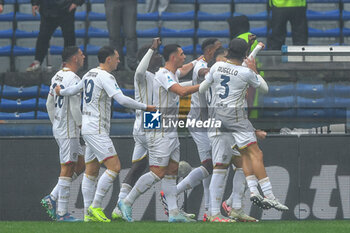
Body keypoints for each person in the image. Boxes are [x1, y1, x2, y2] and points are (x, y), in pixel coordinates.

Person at [55, 46, 156, 222]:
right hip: (97, 129)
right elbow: (122, 99)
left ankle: (88, 214)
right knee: (114, 167)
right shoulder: (106, 77)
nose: (119, 61)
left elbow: (74, 90)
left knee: (91, 171)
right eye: (117, 57)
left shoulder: (89, 74)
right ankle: (95, 206)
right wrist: (145, 107)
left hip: (87, 127)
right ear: (108, 59)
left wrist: (60, 92)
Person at [199, 38, 288, 223]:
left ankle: (236, 207)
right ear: (245, 55)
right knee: (223, 165)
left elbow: (201, 89)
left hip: (218, 119)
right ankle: (215, 213)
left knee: (240, 163)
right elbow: (264, 88)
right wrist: (253, 68)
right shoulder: (246, 73)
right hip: (232, 122)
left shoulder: (216, 67)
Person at [118, 44, 201, 223]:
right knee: (157, 172)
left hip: (165, 127)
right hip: (154, 126)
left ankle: (173, 212)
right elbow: (181, 90)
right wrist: (205, 84)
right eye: (181, 54)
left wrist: (198, 61)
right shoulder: (155, 75)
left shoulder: (167, 74)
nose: (184, 56)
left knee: (170, 172)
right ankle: (126, 201)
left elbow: (183, 75)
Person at [110, 37, 162, 220]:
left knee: (139, 166)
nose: (159, 57)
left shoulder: (158, 75)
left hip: (144, 123)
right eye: (156, 55)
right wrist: (151, 49)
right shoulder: (143, 75)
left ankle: (119, 205)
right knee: (162, 168)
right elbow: (140, 69)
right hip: (149, 121)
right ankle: (127, 202)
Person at [42, 46, 86, 222]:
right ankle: (61, 213)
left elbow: (48, 104)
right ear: (75, 58)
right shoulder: (74, 78)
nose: (84, 56)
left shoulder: (57, 75)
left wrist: (56, 123)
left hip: (61, 126)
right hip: (69, 128)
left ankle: (52, 197)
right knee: (67, 166)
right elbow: (75, 107)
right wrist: (83, 126)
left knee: (80, 164)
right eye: (81, 54)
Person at [26, 0, 84, 72]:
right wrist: (35, 3)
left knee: (69, 37)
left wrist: (76, 2)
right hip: (47, 10)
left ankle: (68, 63)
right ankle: (37, 61)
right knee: (43, 36)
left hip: (66, 9)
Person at [105, 0, 138, 71]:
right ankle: (116, 65)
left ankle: (133, 64)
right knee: (113, 36)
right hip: (112, 2)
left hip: (129, 2)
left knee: (131, 34)